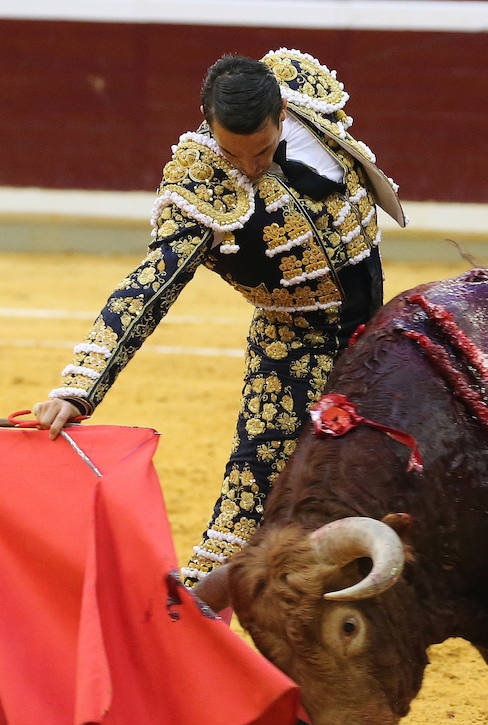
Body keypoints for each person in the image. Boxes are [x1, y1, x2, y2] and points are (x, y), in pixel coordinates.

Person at [33, 49, 406, 591]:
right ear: (209, 127)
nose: (251, 168)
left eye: (262, 150)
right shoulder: (201, 191)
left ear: (282, 115)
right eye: (235, 155)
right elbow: (146, 289)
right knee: (246, 509)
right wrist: (78, 388)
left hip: (379, 337)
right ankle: (189, 632)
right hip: (293, 348)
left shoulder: (307, 101)